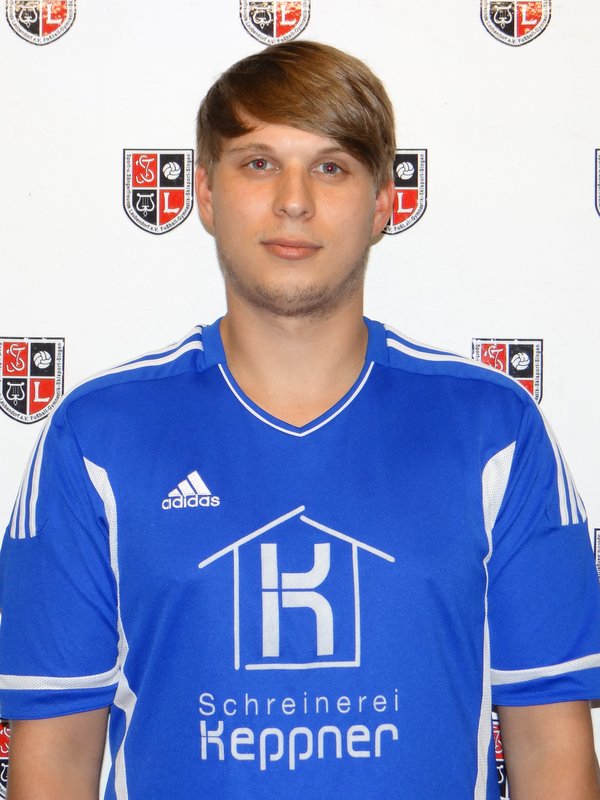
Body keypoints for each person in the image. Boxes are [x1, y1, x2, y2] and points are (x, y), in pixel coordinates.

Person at [1, 40, 600, 800]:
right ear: (205, 193)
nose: (294, 200)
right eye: (258, 163)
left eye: (331, 167)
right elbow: (55, 760)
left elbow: (550, 750)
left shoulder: (494, 431)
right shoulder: (97, 437)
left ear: (384, 203)